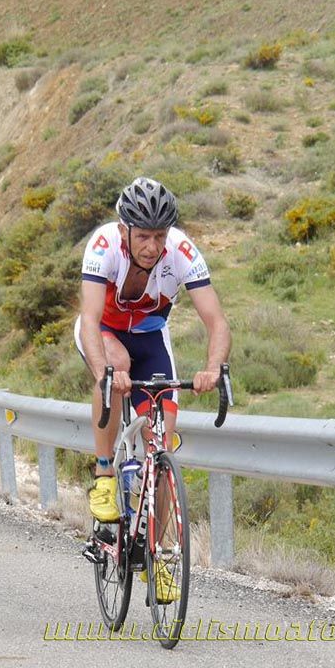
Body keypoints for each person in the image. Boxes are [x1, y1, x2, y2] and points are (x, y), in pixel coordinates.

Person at [76, 176, 231, 601]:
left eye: (159, 236)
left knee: (162, 440)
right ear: (124, 229)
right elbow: (89, 320)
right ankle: (105, 474)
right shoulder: (104, 245)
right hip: (103, 333)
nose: (151, 245)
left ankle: (160, 555)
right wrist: (105, 368)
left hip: (151, 337)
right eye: (143, 236)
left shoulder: (181, 252)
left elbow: (216, 321)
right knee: (115, 368)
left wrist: (213, 368)